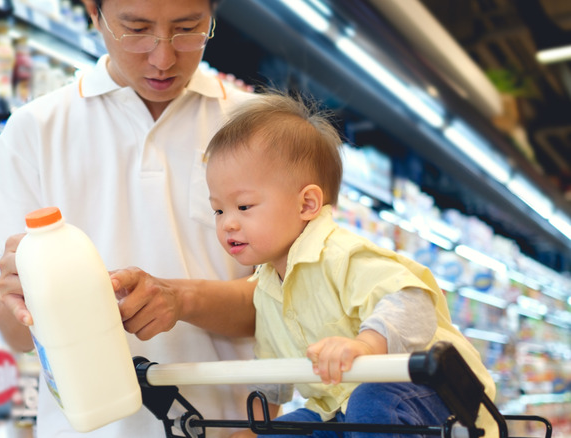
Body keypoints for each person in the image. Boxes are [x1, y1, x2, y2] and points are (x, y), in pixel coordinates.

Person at [0, 0, 259, 436]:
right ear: (94, 12)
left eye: (188, 29)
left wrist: (182, 300)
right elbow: (14, 335)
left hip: (232, 425)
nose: (163, 57)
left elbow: (298, 302)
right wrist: (19, 299)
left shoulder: (256, 128)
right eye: (137, 29)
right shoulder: (33, 131)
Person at [202, 92, 498, 438]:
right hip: (345, 411)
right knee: (291, 429)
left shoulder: (341, 254)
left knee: (371, 401)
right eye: (219, 210)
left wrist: (366, 347)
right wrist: (254, 428)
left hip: (439, 396)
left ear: (307, 203)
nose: (227, 224)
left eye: (244, 206)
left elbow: (414, 303)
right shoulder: (267, 289)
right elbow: (272, 371)